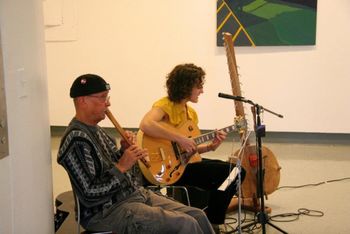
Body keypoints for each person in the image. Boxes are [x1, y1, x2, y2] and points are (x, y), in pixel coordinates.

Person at [57, 74, 215, 234]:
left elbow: (114, 170)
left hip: (132, 196)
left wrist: (125, 151)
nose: (108, 103)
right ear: (83, 101)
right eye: (102, 97)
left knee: (198, 215)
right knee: (185, 224)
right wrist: (122, 165)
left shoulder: (97, 130)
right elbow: (90, 194)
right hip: (105, 212)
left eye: (107, 97)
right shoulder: (76, 139)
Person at [139, 63, 246, 231]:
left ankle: (211, 218)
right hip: (170, 169)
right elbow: (146, 124)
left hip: (185, 164)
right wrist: (180, 138)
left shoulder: (191, 113)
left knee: (235, 171)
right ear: (186, 86)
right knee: (234, 172)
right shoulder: (165, 105)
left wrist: (210, 146)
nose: (202, 90)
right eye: (199, 86)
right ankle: (213, 223)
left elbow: (189, 149)